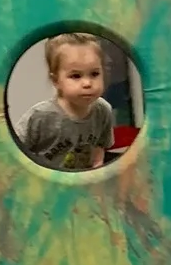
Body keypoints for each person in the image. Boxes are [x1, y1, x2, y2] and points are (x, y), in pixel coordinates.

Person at [20, 34, 115, 171]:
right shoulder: (39, 116)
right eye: (76, 76)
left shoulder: (103, 110)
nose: (87, 83)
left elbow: (99, 149)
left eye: (94, 74)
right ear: (56, 80)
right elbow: (12, 152)